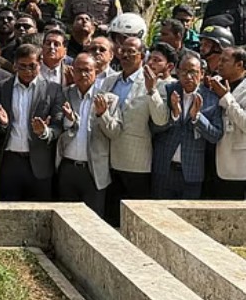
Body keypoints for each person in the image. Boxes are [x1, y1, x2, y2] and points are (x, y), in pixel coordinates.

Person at [100, 38, 168, 225]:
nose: (126, 55)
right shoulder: (110, 81)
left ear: (142, 56)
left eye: (131, 51)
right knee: (112, 218)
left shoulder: (154, 82)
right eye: (123, 50)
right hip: (109, 159)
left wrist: (151, 90)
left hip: (137, 163)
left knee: (136, 221)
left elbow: (161, 119)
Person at [0, 44, 65, 201]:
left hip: (39, 163)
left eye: (32, 66)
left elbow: (58, 125)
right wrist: (3, 124)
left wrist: (45, 132)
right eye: (22, 66)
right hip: (10, 161)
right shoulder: (3, 87)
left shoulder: (53, 89)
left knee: (39, 211)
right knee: (9, 209)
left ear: (40, 63)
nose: (27, 71)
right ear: (15, 65)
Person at [55, 53, 119, 218]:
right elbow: (57, 126)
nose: (83, 74)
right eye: (79, 70)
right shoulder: (65, 94)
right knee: (66, 219)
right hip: (67, 168)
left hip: (94, 170)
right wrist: (69, 120)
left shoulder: (108, 99)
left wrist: (103, 114)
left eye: (87, 70)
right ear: (72, 71)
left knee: (93, 220)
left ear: (96, 72)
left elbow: (114, 132)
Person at [152, 53, 223, 199]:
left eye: (193, 72)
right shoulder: (168, 91)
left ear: (202, 74)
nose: (188, 77)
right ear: (177, 72)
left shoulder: (212, 99)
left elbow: (215, 136)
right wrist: (174, 115)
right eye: (184, 72)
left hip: (192, 173)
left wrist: (197, 117)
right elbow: (153, 127)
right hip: (164, 169)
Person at [208, 47, 246, 198]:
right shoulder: (215, 83)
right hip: (211, 163)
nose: (219, 64)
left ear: (239, 65)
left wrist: (226, 97)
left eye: (225, 61)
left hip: (236, 169)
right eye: (220, 60)